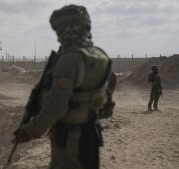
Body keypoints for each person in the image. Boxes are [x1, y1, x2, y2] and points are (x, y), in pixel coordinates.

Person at [13, 4, 114, 169]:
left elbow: (56, 108)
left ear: (68, 29)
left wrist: (28, 131)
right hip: (91, 133)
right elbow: (105, 102)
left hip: (70, 139)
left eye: (59, 31)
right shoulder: (99, 55)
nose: (58, 37)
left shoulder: (70, 59)